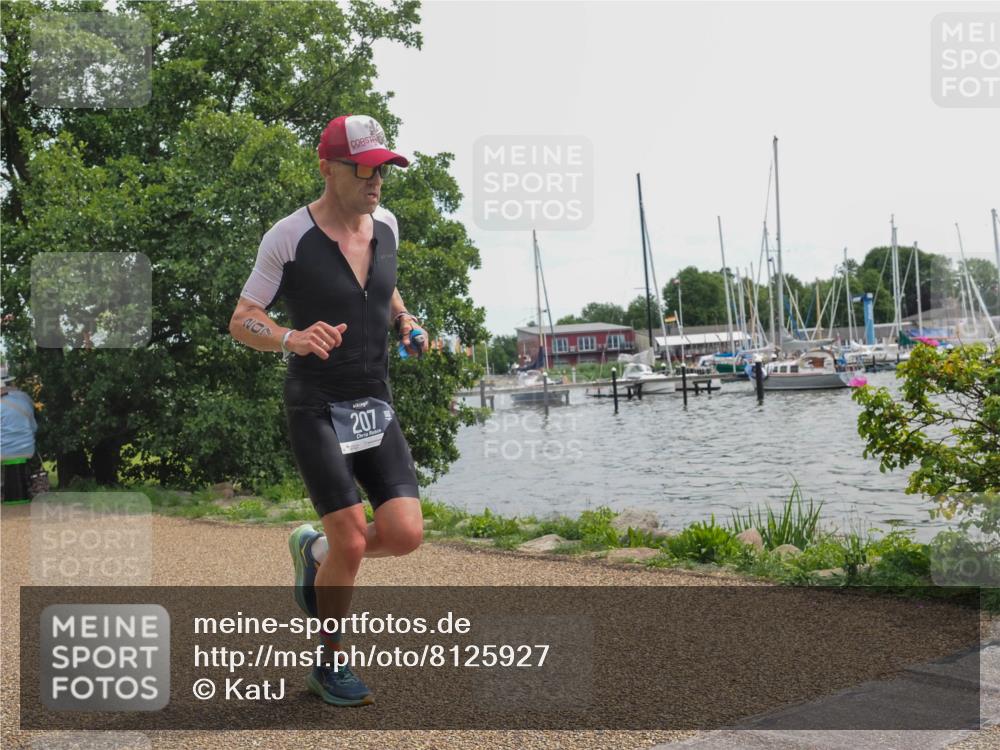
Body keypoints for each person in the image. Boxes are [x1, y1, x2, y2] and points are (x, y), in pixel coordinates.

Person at [229, 114, 428, 707]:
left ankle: (312, 551)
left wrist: (406, 320)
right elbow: (243, 319)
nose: (375, 181)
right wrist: (289, 336)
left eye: (381, 170)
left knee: (405, 533)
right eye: (362, 169)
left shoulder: (386, 224)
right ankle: (330, 664)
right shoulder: (287, 237)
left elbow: (385, 286)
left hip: (374, 402)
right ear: (328, 168)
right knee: (353, 544)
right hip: (316, 405)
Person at [0, 365, 38, 503]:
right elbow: (34, 427)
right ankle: (18, 492)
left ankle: (5, 491)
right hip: (28, 448)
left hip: (6, 451)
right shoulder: (24, 398)